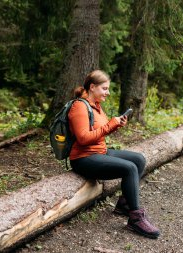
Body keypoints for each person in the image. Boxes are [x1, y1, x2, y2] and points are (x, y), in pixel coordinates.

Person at [68, 69, 160, 239]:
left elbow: (99, 133)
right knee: (130, 168)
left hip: (99, 152)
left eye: (108, 89)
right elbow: (82, 139)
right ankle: (135, 218)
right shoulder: (79, 106)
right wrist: (110, 125)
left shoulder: (96, 106)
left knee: (139, 159)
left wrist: (116, 125)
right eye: (105, 88)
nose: (108, 93)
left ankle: (124, 205)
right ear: (93, 87)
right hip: (83, 158)